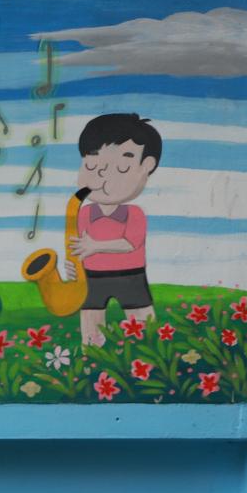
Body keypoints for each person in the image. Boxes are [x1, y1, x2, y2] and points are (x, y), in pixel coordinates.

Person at [65, 113, 162, 347]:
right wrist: (73, 266)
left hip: (130, 275)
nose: (102, 174)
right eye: (91, 164)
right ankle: (92, 360)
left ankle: (151, 358)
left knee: (142, 321)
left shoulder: (135, 213)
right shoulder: (84, 213)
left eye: (121, 167)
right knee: (90, 322)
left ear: (146, 166)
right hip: (92, 277)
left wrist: (95, 246)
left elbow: (130, 243)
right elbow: (77, 246)